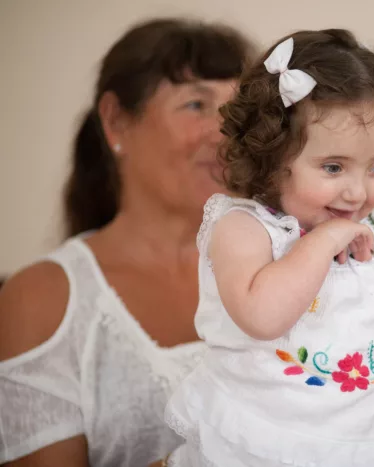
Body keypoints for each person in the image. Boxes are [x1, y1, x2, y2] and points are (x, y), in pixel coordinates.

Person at [164, 29, 374, 467]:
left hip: (357, 445)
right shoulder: (247, 230)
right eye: (333, 167)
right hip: (266, 446)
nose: (355, 192)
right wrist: (324, 242)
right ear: (273, 158)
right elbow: (262, 317)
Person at [0, 18, 254, 466]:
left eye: (237, 112)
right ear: (116, 121)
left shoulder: (289, 264)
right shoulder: (42, 299)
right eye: (196, 104)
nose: (225, 133)